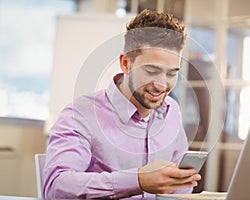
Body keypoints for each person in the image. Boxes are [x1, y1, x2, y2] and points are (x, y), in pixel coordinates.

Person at [43, 9, 201, 199]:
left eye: (171, 74)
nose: (161, 85)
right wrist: (138, 180)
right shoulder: (79, 115)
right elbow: (56, 188)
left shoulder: (172, 111)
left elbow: (180, 188)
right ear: (126, 64)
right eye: (151, 71)